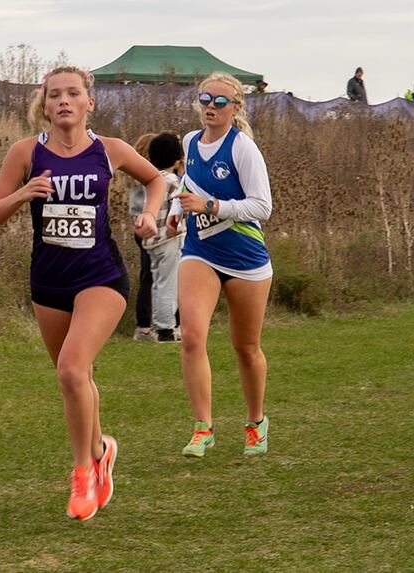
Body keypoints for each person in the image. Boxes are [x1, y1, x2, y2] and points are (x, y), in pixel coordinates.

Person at [0, 66, 164, 522]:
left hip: (101, 277)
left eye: (73, 94)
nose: (64, 101)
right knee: (74, 380)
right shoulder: (25, 153)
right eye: (54, 95)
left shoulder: (111, 151)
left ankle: (83, 473)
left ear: (90, 103)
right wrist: (23, 194)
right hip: (49, 283)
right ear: (44, 105)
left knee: (71, 368)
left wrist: (151, 216)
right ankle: (102, 449)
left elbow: (156, 179)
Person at [166, 72, 273, 459]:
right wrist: (176, 210)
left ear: (236, 107)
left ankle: (256, 422)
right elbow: (188, 186)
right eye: (204, 99)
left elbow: (263, 207)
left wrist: (212, 207)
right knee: (192, 336)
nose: (210, 106)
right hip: (201, 250)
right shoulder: (190, 141)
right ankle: (202, 428)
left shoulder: (243, 149)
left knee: (245, 348)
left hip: (246, 259)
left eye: (220, 102)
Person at [143, 132, 186, 342]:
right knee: (169, 283)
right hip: (169, 239)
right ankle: (166, 329)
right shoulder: (172, 181)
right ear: (177, 159)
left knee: (158, 282)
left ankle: (159, 324)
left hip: (152, 240)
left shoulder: (150, 179)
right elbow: (177, 209)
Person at [127, 133, 158, 342]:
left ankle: (145, 324)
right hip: (149, 227)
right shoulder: (150, 176)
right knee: (153, 277)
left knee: (147, 275)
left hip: (137, 226)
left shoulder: (133, 176)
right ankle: (146, 326)